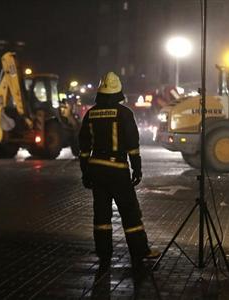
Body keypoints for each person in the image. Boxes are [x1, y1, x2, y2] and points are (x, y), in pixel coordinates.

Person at [78, 71, 160, 272]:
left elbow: (83, 147)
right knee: (130, 213)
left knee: (101, 214)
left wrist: (85, 172)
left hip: (96, 169)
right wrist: (137, 168)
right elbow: (132, 143)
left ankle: (104, 253)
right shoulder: (124, 113)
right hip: (117, 170)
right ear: (118, 92)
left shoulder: (90, 114)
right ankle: (140, 251)